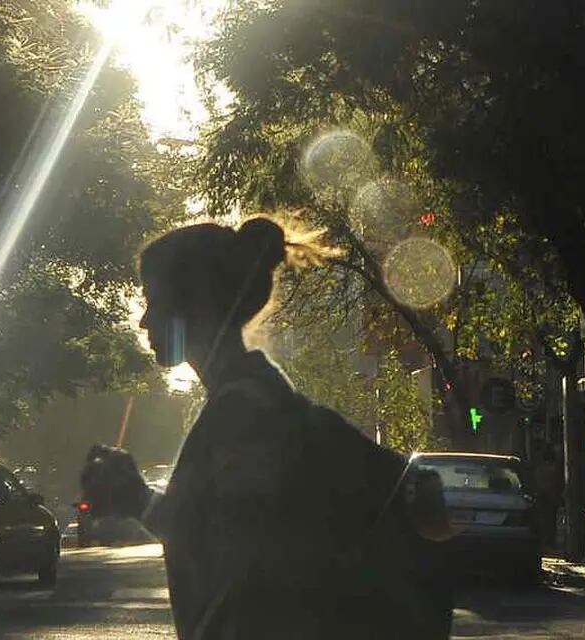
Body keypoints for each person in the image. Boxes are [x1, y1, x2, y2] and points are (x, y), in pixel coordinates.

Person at [80, 217, 453, 639]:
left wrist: (136, 498)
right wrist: (139, 499)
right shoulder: (255, 400)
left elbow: (241, 559)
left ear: (196, 305)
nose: (144, 321)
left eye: (154, 301)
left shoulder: (245, 413)